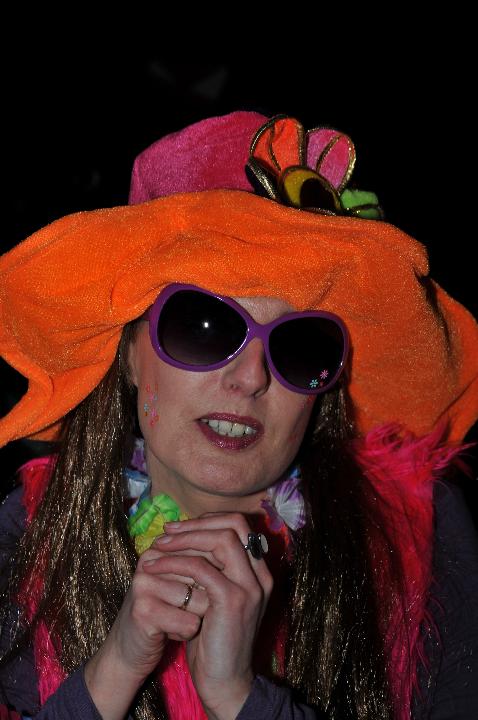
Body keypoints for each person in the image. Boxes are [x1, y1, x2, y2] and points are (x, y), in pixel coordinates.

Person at [0, 111, 477, 720]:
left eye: (300, 347)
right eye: (204, 327)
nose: (251, 377)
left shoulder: (421, 541)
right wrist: (113, 670)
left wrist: (240, 697)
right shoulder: (30, 534)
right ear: (130, 354)